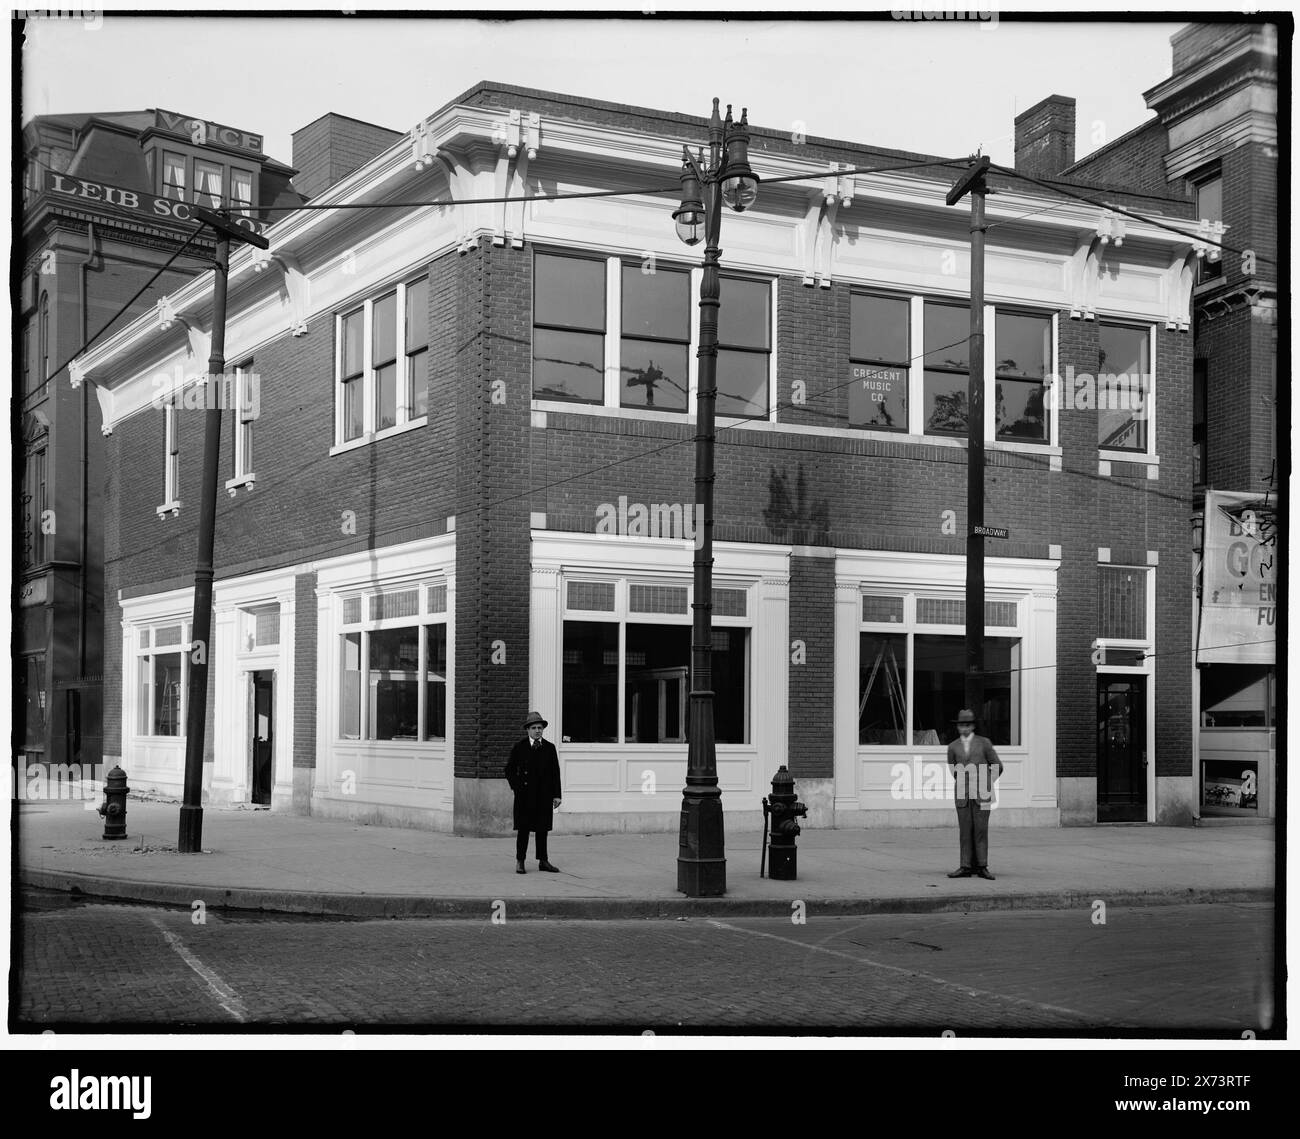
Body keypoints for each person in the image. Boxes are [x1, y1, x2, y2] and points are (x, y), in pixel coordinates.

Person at [946, 708, 1001, 880]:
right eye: (961, 725)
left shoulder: (984, 743)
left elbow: (997, 765)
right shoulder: (953, 747)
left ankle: (982, 866)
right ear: (957, 727)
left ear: (973, 726)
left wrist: (986, 781)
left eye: (967, 725)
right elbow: (952, 769)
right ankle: (965, 866)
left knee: (981, 830)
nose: (964, 728)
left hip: (982, 793)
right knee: (965, 830)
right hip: (963, 792)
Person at [504, 711, 562, 874]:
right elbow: (509, 770)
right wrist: (517, 787)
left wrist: (557, 794)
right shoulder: (520, 747)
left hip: (544, 794)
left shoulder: (549, 748)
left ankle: (543, 861)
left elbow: (555, 772)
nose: (538, 731)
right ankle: (520, 861)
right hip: (525, 796)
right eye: (534, 728)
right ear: (528, 730)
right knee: (523, 829)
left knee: (542, 829)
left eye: (540, 728)